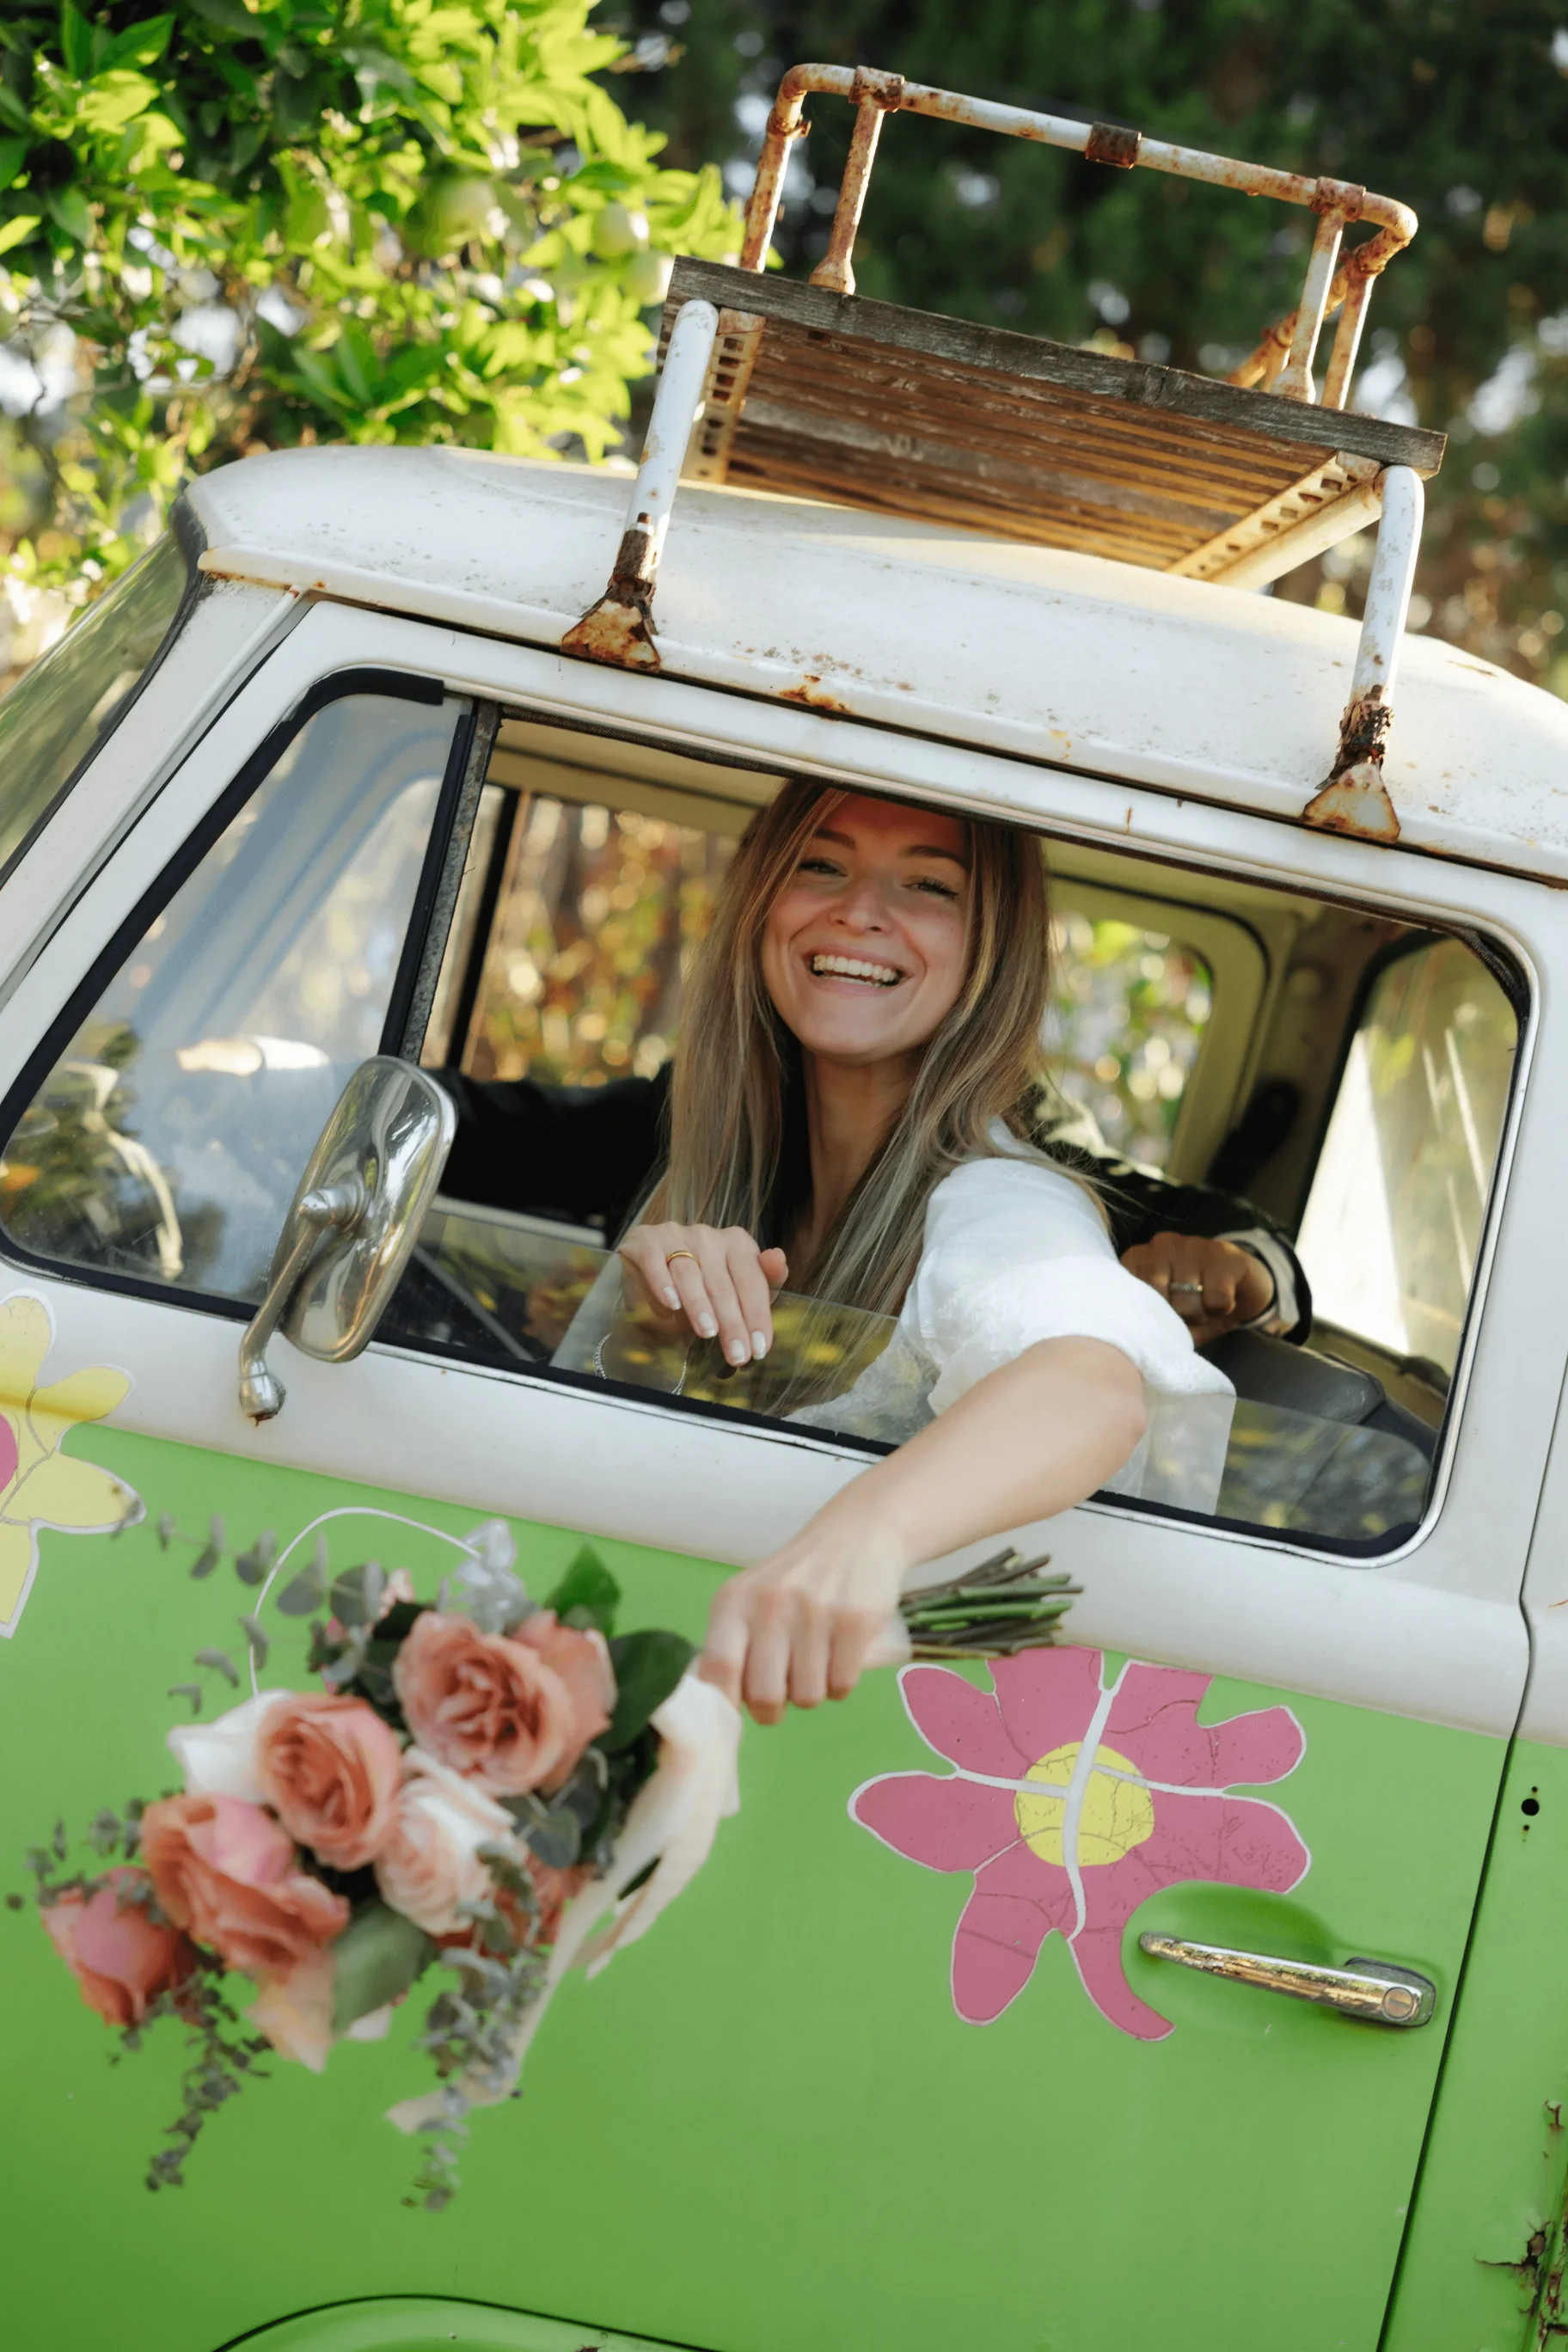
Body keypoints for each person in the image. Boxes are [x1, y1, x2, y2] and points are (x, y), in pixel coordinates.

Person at [527, 780, 1248, 1725]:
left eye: (930, 887)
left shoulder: (1001, 1197)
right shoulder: (721, 1178)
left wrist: (861, 1537)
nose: (859, 912)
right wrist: (659, 1329)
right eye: (820, 866)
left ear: (994, 950)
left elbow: (1092, 1386)